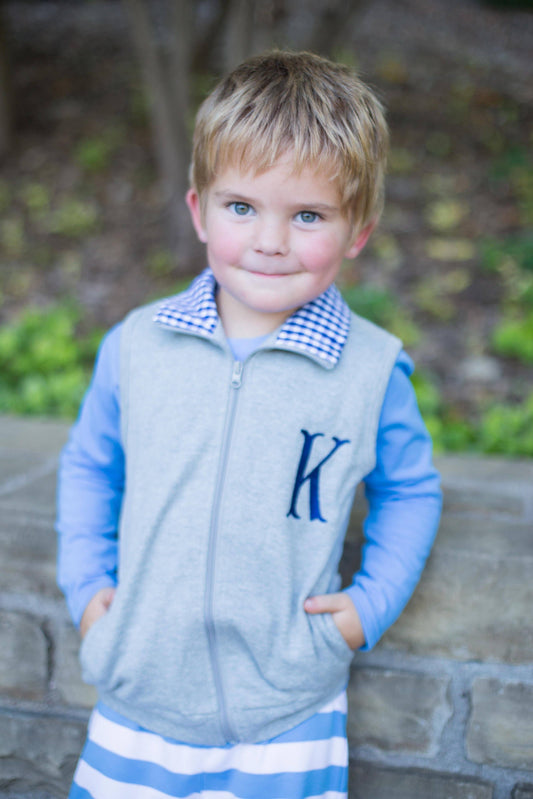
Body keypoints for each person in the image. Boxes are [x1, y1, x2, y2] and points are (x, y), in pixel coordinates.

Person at [57, 50, 442, 799]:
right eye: (242, 207)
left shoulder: (370, 371)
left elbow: (411, 491)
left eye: (307, 215)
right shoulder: (138, 344)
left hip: (285, 714)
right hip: (136, 699)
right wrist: (86, 588)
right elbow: (87, 466)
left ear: (357, 229)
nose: (270, 240)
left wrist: (367, 608)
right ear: (199, 210)